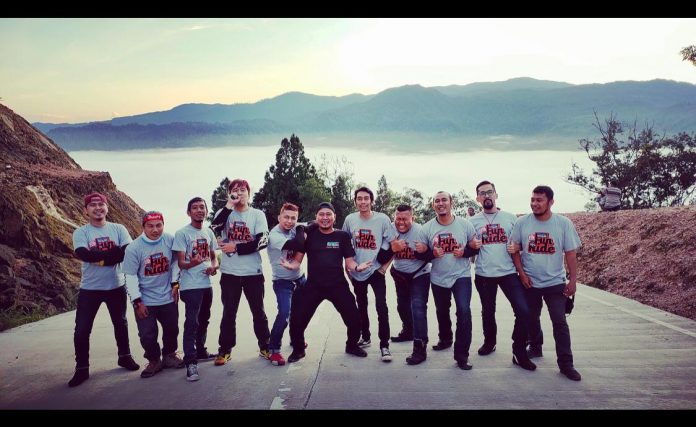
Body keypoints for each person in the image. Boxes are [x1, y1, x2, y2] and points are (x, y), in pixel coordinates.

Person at [509, 185, 583, 381]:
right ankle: (533, 347)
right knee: (529, 318)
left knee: (560, 322)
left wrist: (573, 280)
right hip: (530, 282)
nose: (534, 203)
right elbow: (514, 250)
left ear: (551, 202)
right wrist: (521, 274)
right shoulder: (522, 222)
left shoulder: (563, 223)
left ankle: (566, 364)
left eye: (539, 200)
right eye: (532, 199)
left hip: (555, 282)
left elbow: (570, 253)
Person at [68, 192, 139, 387]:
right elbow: (84, 255)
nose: (97, 208)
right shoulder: (81, 232)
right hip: (90, 289)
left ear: (106, 208)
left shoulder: (118, 228)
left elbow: (126, 253)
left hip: (116, 286)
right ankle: (82, 368)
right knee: (82, 329)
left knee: (120, 323)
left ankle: (124, 356)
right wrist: (111, 256)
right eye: (93, 205)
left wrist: (99, 258)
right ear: (86, 210)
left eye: (101, 204)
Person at [287, 202, 371, 363]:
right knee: (297, 319)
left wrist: (357, 267)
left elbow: (349, 262)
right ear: (316, 217)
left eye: (328, 214)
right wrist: (291, 265)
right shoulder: (309, 236)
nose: (325, 218)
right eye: (321, 214)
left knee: (354, 319)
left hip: (337, 285)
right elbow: (297, 260)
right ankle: (298, 350)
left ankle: (352, 345)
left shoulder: (342, 236)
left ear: (334, 217)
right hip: (314, 286)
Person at [468, 181, 536, 371]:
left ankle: (519, 351)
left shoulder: (510, 218)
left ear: (496, 195)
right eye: (482, 193)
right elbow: (467, 247)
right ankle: (490, 342)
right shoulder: (472, 222)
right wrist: (471, 246)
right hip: (484, 274)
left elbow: (523, 243)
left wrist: (519, 248)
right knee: (488, 311)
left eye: (490, 192)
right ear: (478, 198)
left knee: (523, 310)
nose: (486, 195)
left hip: (509, 273)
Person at [210, 178, 270, 366]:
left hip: (253, 272)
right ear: (230, 193)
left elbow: (263, 241)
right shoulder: (224, 213)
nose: (240, 193)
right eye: (235, 190)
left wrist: (236, 247)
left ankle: (265, 345)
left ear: (249, 194)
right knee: (229, 313)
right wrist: (229, 205)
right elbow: (214, 228)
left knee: (258, 312)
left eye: (243, 190)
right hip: (230, 273)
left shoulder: (257, 214)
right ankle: (225, 349)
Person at [416, 191, 479, 370]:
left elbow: (475, 248)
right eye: (437, 201)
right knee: (442, 311)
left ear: (452, 203)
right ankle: (445, 339)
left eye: (444, 200)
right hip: (438, 277)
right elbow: (419, 254)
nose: (441, 203)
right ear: (433, 205)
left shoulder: (465, 225)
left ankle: (462, 356)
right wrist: (431, 253)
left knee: (464, 311)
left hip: (461, 275)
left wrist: (465, 252)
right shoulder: (426, 228)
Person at [123, 211, 185, 378]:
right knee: (147, 334)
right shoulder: (134, 248)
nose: (155, 229)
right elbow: (130, 276)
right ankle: (154, 360)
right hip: (145, 299)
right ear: (143, 227)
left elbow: (176, 262)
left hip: (168, 296)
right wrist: (137, 301)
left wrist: (175, 283)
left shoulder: (170, 240)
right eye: (150, 226)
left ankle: (169, 355)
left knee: (172, 329)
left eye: (159, 225)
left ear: (163, 225)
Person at [341, 186, 395, 362]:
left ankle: (384, 345)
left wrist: (384, 267)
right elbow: (345, 244)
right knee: (361, 306)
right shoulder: (350, 219)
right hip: (358, 270)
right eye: (359, 198)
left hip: (375, 270)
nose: (363, 202)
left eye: (366, 198)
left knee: (381, 307)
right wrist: (348, 267)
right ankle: (365, 336)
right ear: (355, 201)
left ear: (372, 201)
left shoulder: (382, 219)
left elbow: (394, 245)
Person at [173, 197, 219, 381]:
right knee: (192, 323)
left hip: (206, 284)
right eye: (195, 208)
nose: (199, 210)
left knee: (204, 320)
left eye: (202, 207)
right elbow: (181, 263)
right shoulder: (182, 233)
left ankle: (200, 351)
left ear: (206, 211)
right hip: (190, 286)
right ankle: (190, 362)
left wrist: (213, 267)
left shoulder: (209, 232)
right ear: (188, 212)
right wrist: (192, 263)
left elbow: (214, 257)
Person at [387, 204, 432, 365]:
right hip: (400, 273)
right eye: (398, 218)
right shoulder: (389, 229)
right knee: (402, 306)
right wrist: (392, 249)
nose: (401, 222)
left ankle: (420, 347)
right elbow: (382, 252)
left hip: (420, 273)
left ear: (412, 218)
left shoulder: (421, 231)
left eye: (405, 219)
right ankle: (408, 331)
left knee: (418, 307)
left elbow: (433, 255)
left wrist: (423, 251)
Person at [265, 202, 307, 366]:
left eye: (293, 218)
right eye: (286, 217)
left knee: (301, 313)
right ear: (279, 217)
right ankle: (273, 349)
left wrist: (301, 227)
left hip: (300, 278)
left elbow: (313, 224)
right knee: (284, 314)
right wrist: (301, 230)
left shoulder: (296, 227)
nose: (289, 221)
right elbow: (297, 244)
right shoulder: (274, 235)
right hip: (282, 281)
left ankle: (296, 339)